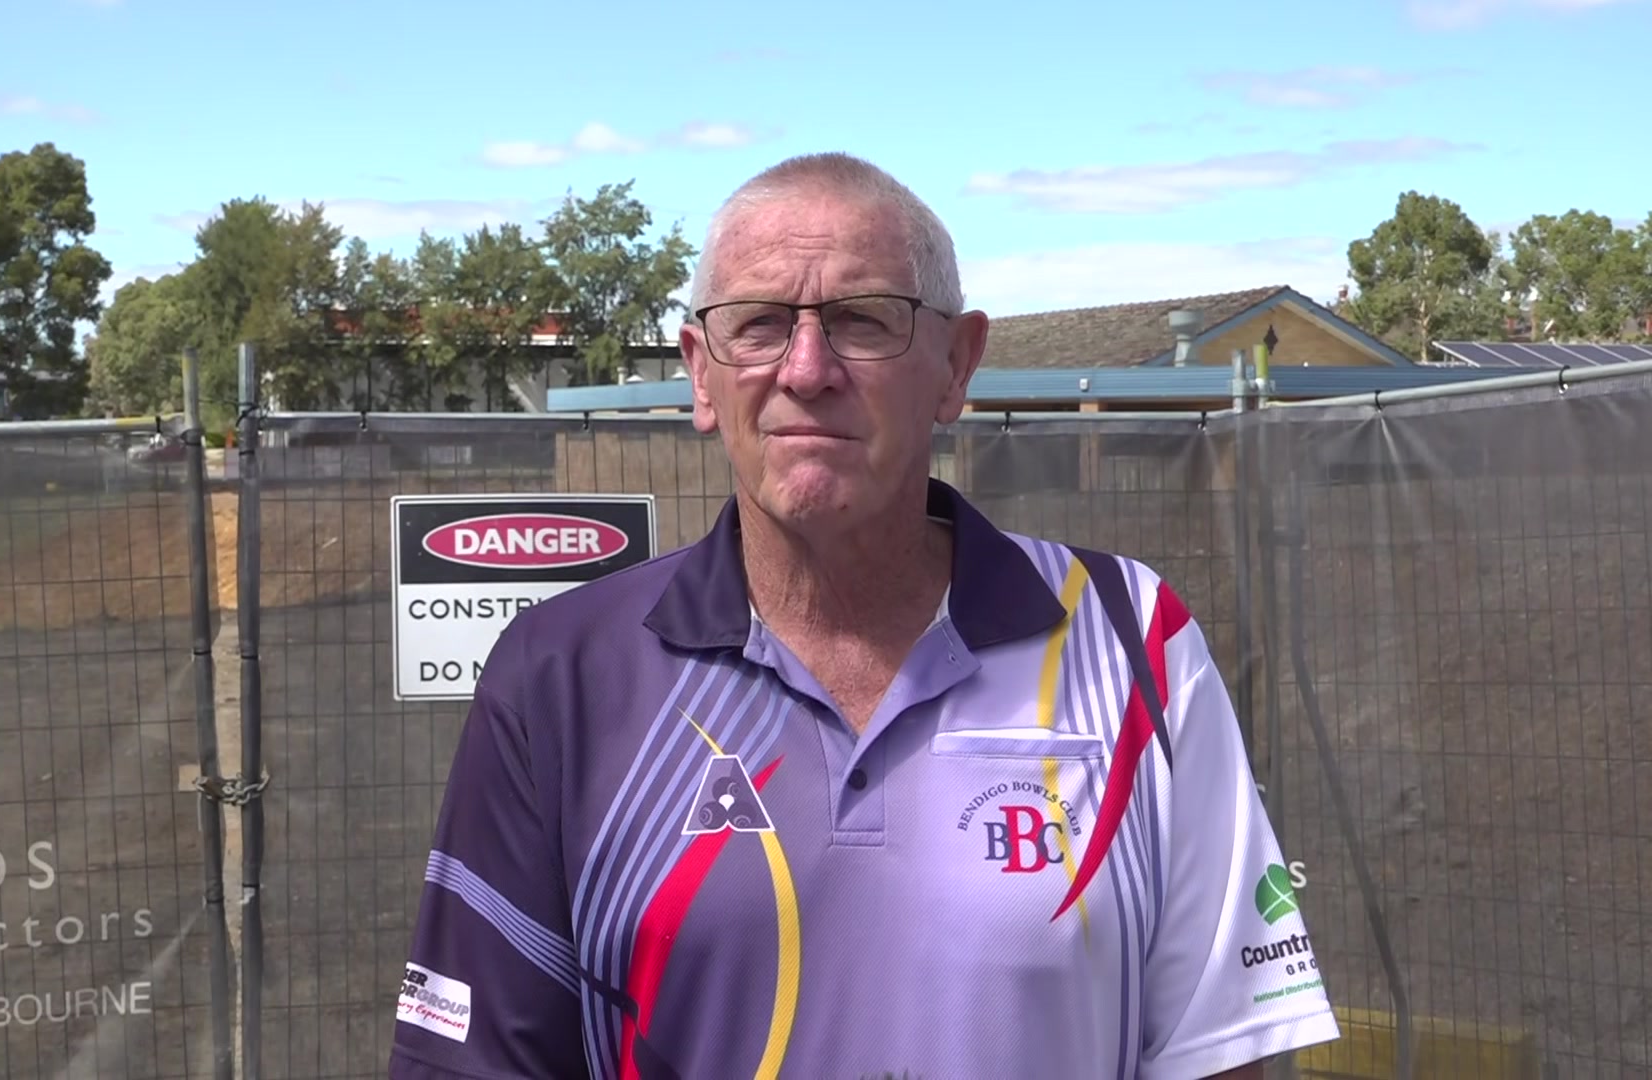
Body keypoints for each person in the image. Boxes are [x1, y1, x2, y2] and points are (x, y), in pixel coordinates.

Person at [389, 152, 1340, 1079]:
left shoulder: (1134, 640)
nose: (807, 369)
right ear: (700, 375)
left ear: (956, 365)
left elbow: (1220, 1055)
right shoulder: (563, 674)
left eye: (861, 319)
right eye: (758, 323)